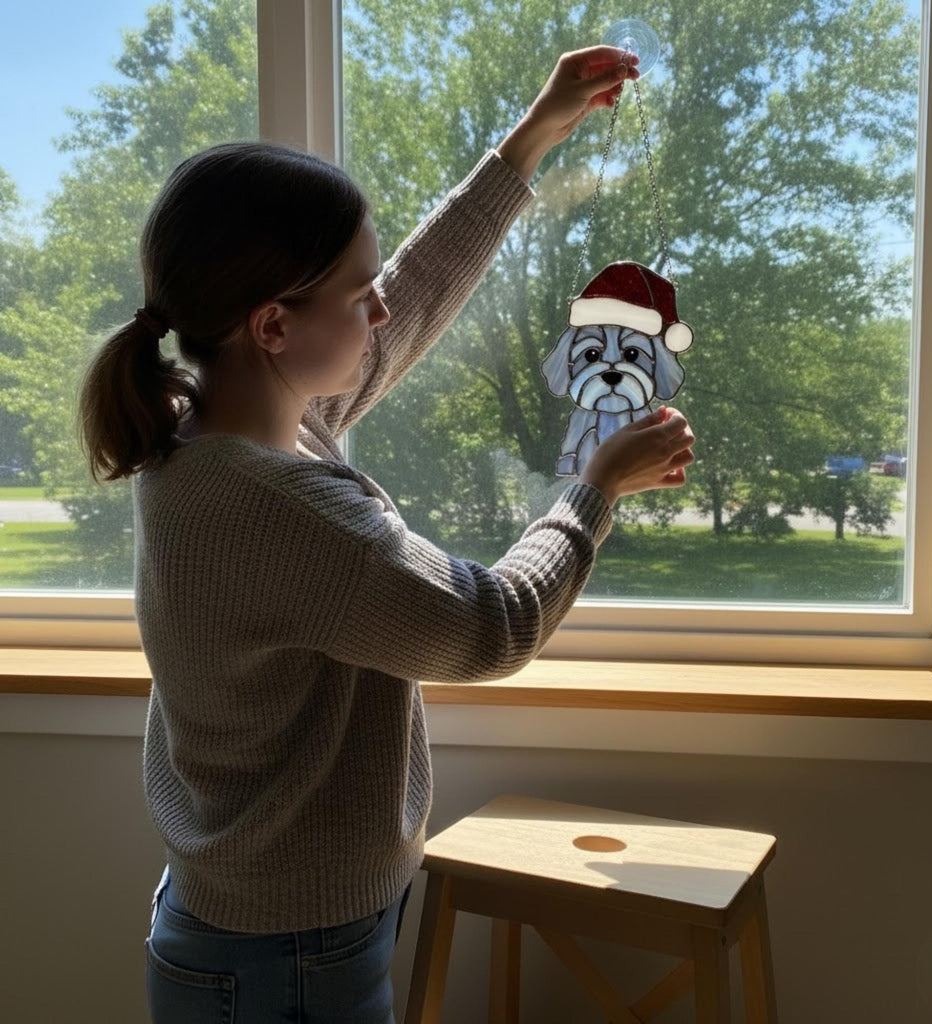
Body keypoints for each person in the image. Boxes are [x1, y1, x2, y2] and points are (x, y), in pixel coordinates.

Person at [76, 46, 696, 1024]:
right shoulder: (280, 506)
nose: (377, 308)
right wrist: (591, 489)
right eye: (354, 290)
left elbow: (405, 305)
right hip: (279, 955)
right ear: (273, 326)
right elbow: (491, 627)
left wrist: (528, 141)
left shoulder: (223, 418)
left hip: (264, 926)